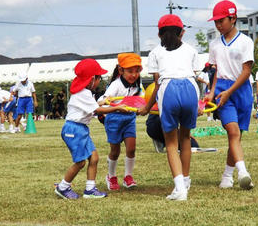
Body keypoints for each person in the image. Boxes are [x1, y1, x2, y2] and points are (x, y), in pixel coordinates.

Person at [139, 14, 199, 201]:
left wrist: (147, 107)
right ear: (182, 32)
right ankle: (186, 180)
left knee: (171, 142)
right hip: (191, 87)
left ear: (159, 34)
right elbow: (196, 76)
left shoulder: (155, 53)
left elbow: (157, 85)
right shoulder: (191, 50)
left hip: (168, 89)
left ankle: (180, 188)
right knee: (186, 138)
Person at [54, 59, 128, 200]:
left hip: (81, 129)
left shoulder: (85, 93)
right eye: (99, 77)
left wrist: (104, 102)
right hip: (74, 130)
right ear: (92, 78)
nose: (100, 80)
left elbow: (94, 106)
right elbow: (97, 110)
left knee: (94, 158)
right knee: (80, 162)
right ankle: (63, 187)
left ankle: (90, 189)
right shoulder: (83, 93)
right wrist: (117, 107)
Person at [205, 0, 254, 190]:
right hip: (222, 90)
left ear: (232, 18)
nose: (218, 25)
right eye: (215, 22)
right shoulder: (214, 44)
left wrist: (230, 91)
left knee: (236, 136)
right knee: (232, 131)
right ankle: (243, 173)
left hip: (240, 89)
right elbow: (216, 72)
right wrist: (212, 92)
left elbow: (246, 71)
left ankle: (227, 176)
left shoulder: (245, 42)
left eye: (221, 21)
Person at [99, 53, 143, 191]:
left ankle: (128, 177)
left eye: (137, 71)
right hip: (114, 119)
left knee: (131, 148)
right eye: (130, 71)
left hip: (129, 119)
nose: (134, 75)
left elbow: (141, 100)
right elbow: (103, 101)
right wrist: (108, 102)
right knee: (115, 151)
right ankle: (111, 176)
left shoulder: (137, 86)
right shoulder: (116, 85)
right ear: (121, 70)